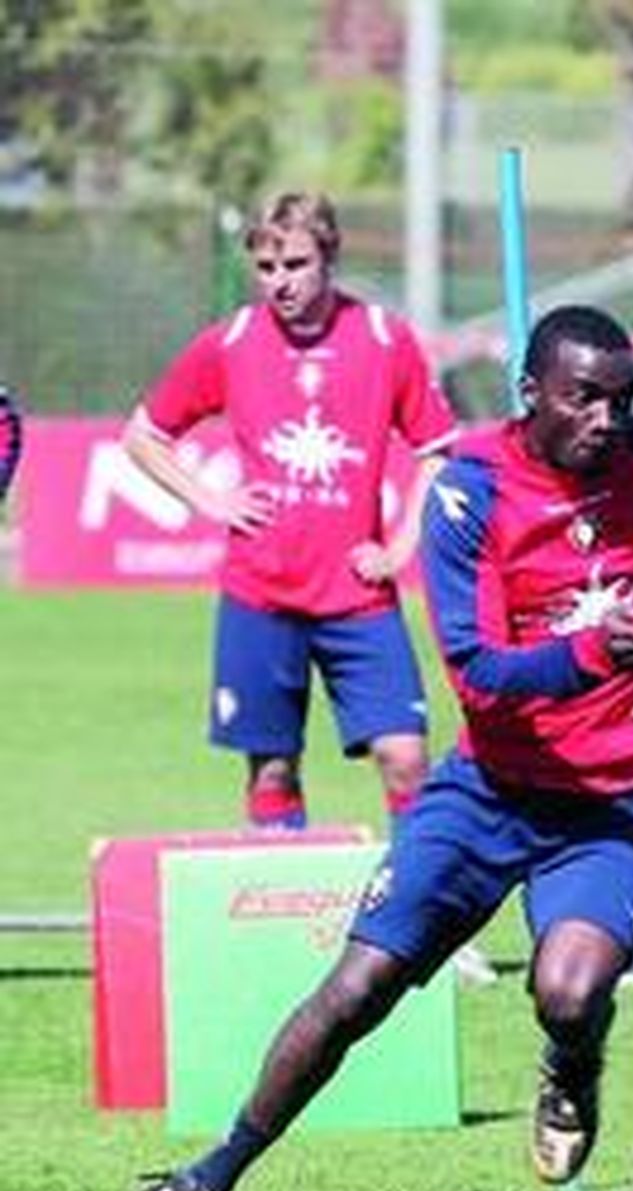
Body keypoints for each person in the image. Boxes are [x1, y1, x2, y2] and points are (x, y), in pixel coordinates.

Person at [123, 305, 633, 1191]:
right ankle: (215, 1172)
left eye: (622, 398)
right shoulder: (469, 490)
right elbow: (479, 676)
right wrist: (607, 650)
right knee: (357, 990)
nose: (607, 419)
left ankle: (571, 1067)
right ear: (531, 393)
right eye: (584, 399)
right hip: (491, 789)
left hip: (614, 798)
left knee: (568, 994)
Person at [122, 191, 454, 834]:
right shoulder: (232, 341)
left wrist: (399, 549)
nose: (281, 281)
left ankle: (415, 896)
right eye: (267, 268)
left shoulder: (384, 338)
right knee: (272, 771)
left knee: (407, 759)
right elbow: (143, 436)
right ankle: (286, 898)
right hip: (261, 593)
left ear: (329, 257)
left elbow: (439, 452)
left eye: (297, 264)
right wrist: (212, 500)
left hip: (358, 598)